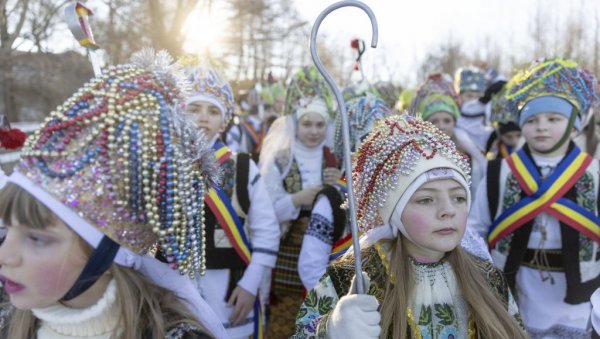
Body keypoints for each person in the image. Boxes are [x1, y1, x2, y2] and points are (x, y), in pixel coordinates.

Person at [0, 49, 228, 339]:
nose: (4, 254)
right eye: (6, 229)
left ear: (108, 255)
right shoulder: (10, 324)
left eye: (36, 238)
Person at [294, 114, 526, 338]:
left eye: (459, 198)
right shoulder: (354, 278)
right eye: (426, 200)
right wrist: (332, 331)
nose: (448, 210)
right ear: (395, 213)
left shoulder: (485, 277)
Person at [468, 58, 600, 338]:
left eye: (553, 119)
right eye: (532, 120)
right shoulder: (498, 172)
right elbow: (476, 229)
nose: (542, 127)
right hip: (517, 286)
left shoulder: (594, 173)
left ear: (574, 127)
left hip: (577, 293)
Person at [182, 60, 280, 338]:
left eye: (213, 111)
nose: (203, 118)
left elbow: (267, 232)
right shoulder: (161, 166)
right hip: (173, 293)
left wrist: (251, 284)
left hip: (230, 294)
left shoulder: (243, 168)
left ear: (223, 120)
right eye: (194, 109)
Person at [259, 65, 341, 338]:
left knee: (319, 317)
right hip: (287, 254)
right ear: (295, 122)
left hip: (325, 253)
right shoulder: (281, 159)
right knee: (285, 318)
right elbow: (264, 212)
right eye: (307, 123)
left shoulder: (335, 160)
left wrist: (338, 184)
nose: (314, 131)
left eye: (320, 124)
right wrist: (297, 199)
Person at [298, 94, 389, 291]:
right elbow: (310, 266)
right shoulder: (332, 199)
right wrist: (338, 311)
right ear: (351, 146)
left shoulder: (396, 193)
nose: (377, 149)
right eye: (368, 140)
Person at [409, 73, 486, 196]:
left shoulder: (467, 150)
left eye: (447, 120)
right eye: (434, 121)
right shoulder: (414, 154)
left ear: (454, 122)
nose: (441, 126)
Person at [454, 66, 494, 151]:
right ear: (460, 97)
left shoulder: (490, 128)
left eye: (478, 97)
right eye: (469, 96)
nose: (474, 101)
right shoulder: (452, 126)